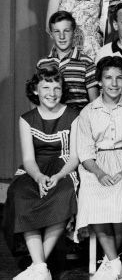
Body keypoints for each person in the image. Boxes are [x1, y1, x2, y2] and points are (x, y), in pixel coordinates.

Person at [75, 56, 122, 280]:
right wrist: (99, 173)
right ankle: (115, 262)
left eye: (119, 78)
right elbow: (85, 153)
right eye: (108, 78)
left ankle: (110, 263)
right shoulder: (88, 112)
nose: (114, 83)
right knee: (93, 196)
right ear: (99, 81)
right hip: (96, 166)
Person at [3, 65, 80, 280]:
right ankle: (40, 267)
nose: (52, 94)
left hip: (63, 169)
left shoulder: (73, 116)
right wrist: (38, 177)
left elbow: (74, 157)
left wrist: (56, 176)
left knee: (63, 195)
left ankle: (38, 267)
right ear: (36, 90)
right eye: (46, 87)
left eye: (56, 88)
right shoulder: (26, 119)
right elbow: (28, 159)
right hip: (35, 170)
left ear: (62, 90)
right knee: (21, 195)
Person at [37, 11, 98, 110]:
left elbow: (94, 103)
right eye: (57, 31)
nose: (62, 36)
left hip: (78, 122)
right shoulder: (42, 64)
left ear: (74, 32)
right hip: (51, 123)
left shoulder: (86, 63)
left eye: (66, 31)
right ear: (51, 34)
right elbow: (37, 100)